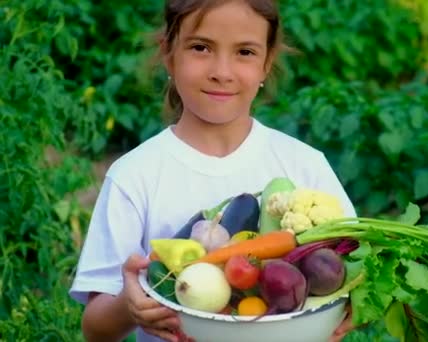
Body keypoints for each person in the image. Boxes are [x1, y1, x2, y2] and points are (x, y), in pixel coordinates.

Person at [69, 0, 358, 341]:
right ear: (168, 54)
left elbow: (355, 272)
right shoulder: (135, 175)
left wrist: (352, 307)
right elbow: (95, 329)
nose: (222, 71)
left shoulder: (304, 164)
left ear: (267, 63)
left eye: (245, 52)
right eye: (201, 47)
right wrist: (129, 307)